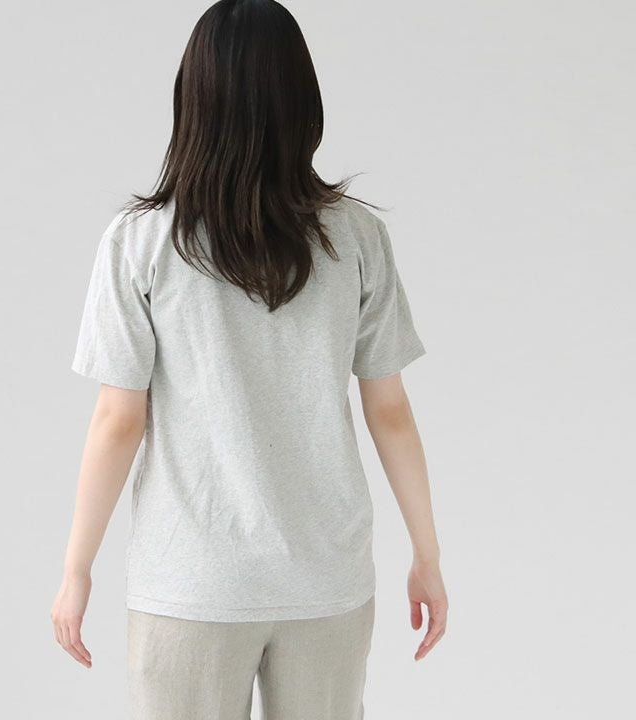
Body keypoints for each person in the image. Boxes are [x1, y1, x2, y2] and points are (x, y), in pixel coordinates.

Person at [50, 1, 448, 718]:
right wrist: (427, 554)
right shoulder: (356, 236)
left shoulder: (139, 242)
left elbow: (118, 420)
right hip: (325, 575)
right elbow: (388, 410)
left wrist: (77, 569)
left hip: (191, 581)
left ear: (193, 99)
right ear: (302, 101)